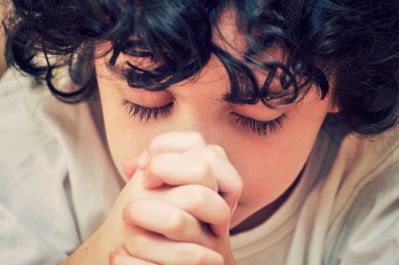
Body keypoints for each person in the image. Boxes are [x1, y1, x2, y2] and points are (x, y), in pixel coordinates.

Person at [1, 0, 398, 264]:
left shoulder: (379, 188)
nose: (194, 157)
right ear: (92, 51)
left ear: (347, 81)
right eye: (146, 96)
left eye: (257, 115)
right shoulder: (30, 134)